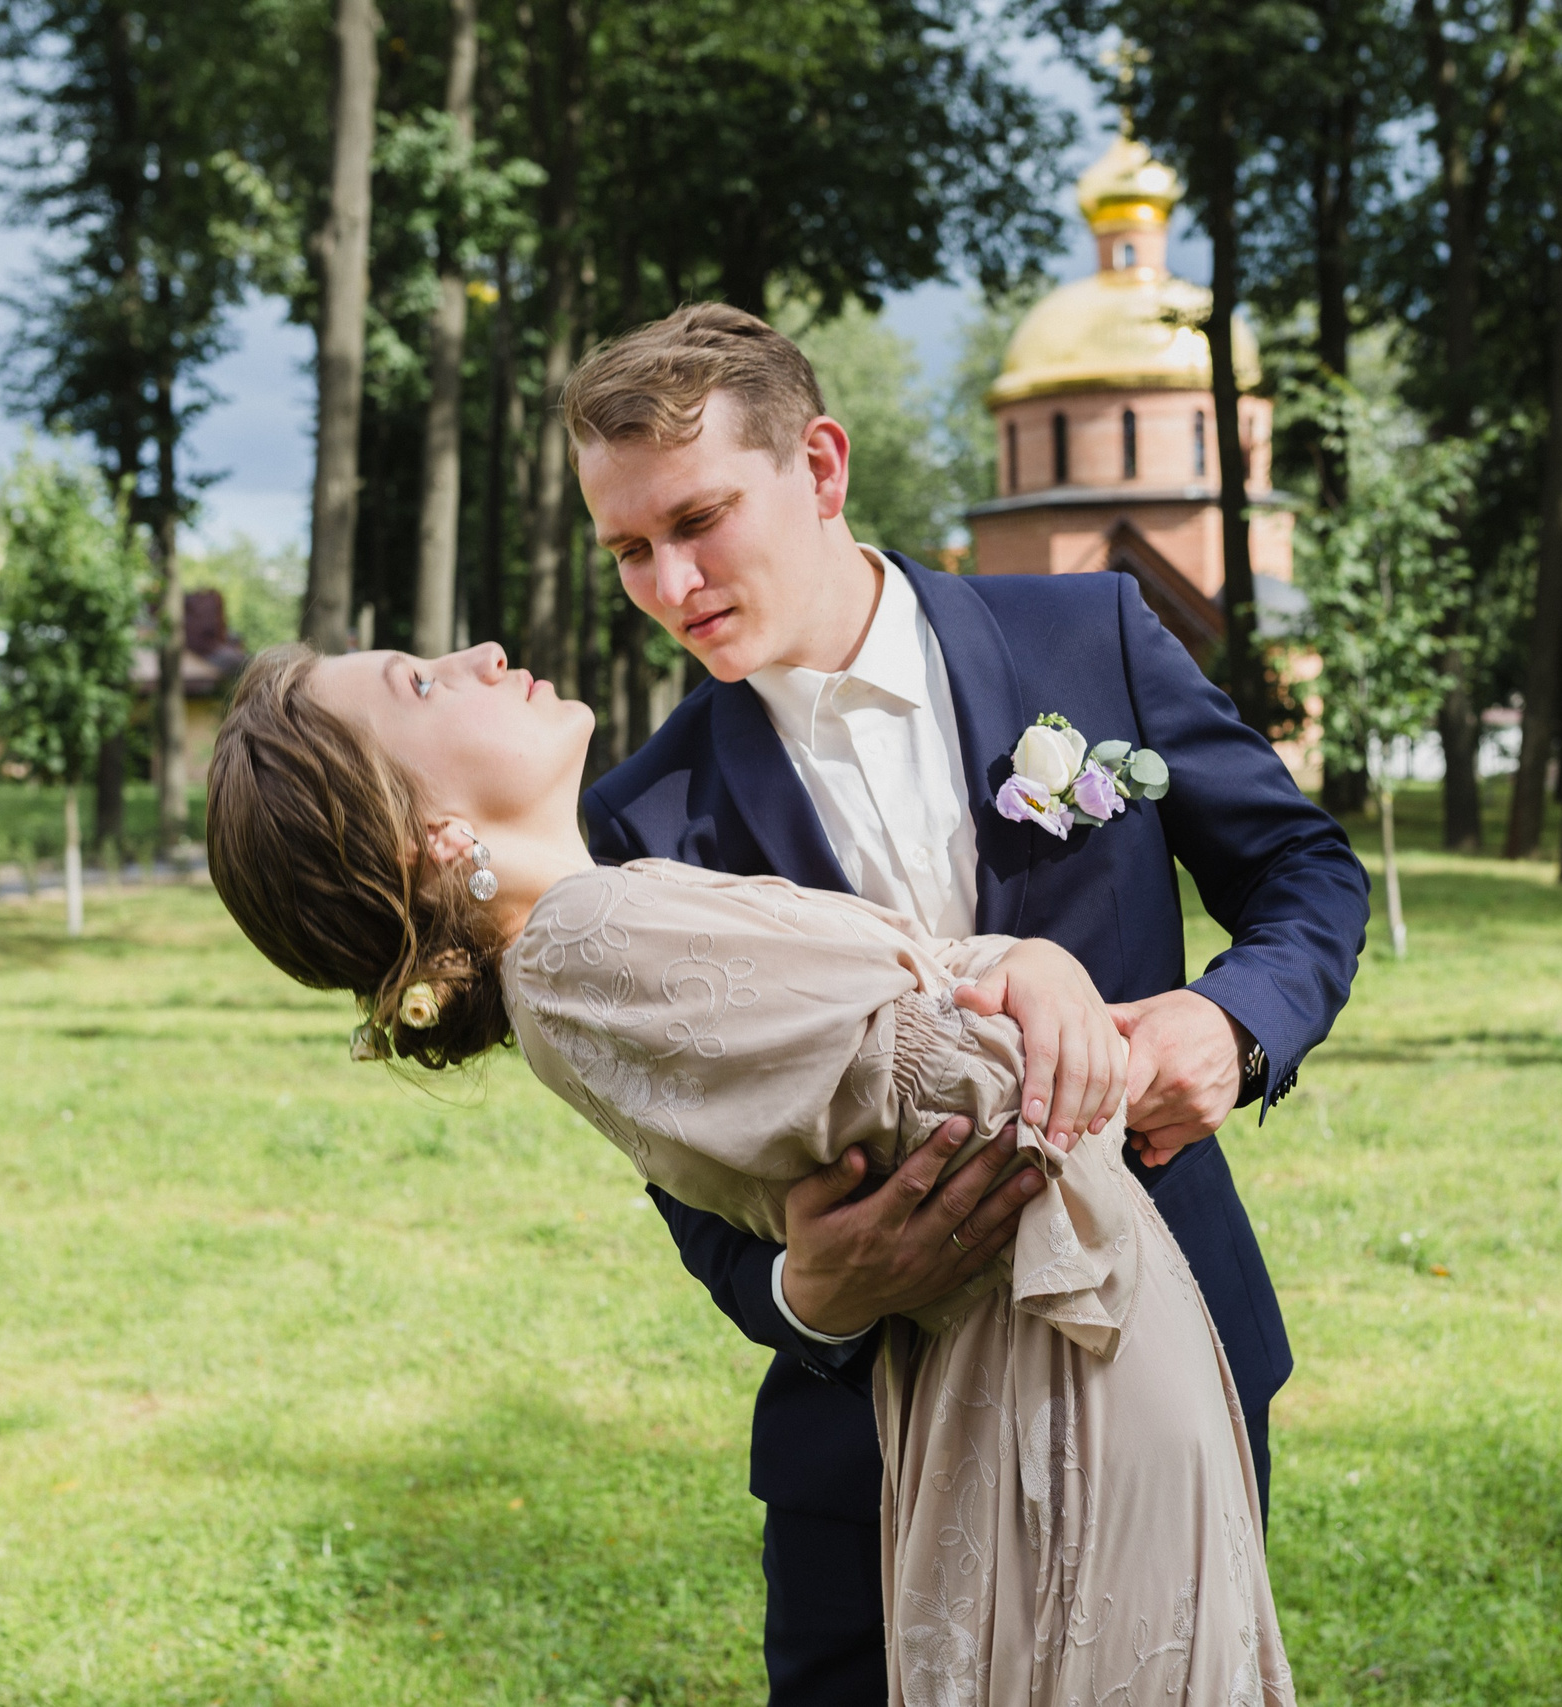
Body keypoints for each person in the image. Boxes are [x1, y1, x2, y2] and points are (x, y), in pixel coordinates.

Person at [206, 638, 1298, 1702]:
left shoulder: (602, 915)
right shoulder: (581, 940)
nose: (481, 654)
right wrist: (1064, 1017)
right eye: (419, 683)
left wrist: (1024, 962)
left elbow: (922, 1027)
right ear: (427, 833)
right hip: (1064, 1350)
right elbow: (972, 1092)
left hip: (1070, 1334)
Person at [568, 304, 1369, 1700]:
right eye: (630, 548)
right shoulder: (646, 821)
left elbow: (1304, 870)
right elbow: (688, 1167)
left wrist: (1232, 1030)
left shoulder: (1089, 637)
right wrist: (800, 1293)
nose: (669, 578)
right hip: (864, 1427)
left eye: (699, 517)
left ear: (820, 466)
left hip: (1163, 1342)